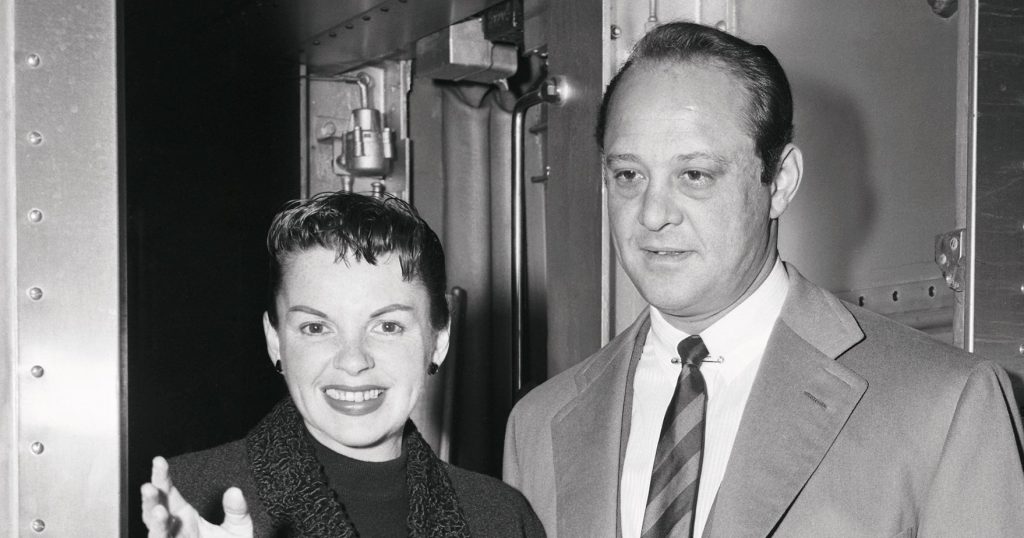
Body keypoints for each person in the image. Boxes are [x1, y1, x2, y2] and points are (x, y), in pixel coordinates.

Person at [503, 21, 1024, 537]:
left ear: (780, 182)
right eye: (628, 175)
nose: (653, 213)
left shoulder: (946, 407)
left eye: (695, 175)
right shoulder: (539, 427)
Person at [142, 192, 546, 537]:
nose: (353, 360)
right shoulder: (190, 501)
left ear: (438, 341)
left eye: (388, 326)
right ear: (275, 340)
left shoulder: (502, 519)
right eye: (316, 327)